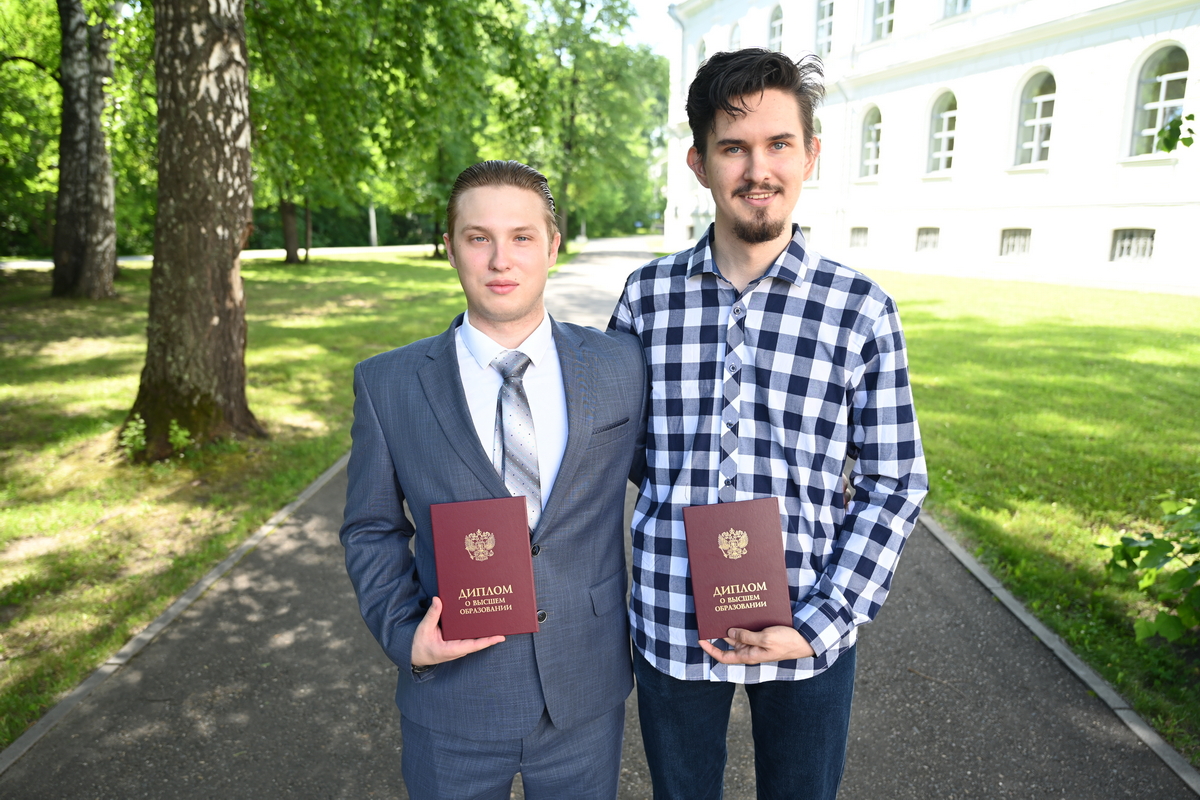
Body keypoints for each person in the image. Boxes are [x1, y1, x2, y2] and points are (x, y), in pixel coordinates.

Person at [609, 49, 928, 800]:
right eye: (734, 147)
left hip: (809, 619)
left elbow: (894, 481)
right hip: (674, 616)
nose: (759, 169)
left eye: (779, 143)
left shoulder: (860, 309)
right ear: (699, 162)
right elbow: (619, 451)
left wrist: (824, 619)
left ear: (810, 155)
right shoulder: (646, 298)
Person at [341, 160, 645, 800]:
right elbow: (371, 527)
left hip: (584, 687)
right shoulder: (388, 384)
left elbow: (671, 482)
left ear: (552, 246)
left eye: (521, 237)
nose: (501, 259)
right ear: (451, 248)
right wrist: (403, 633)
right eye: (478, 237)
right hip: (454, 694)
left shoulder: (621, 365)